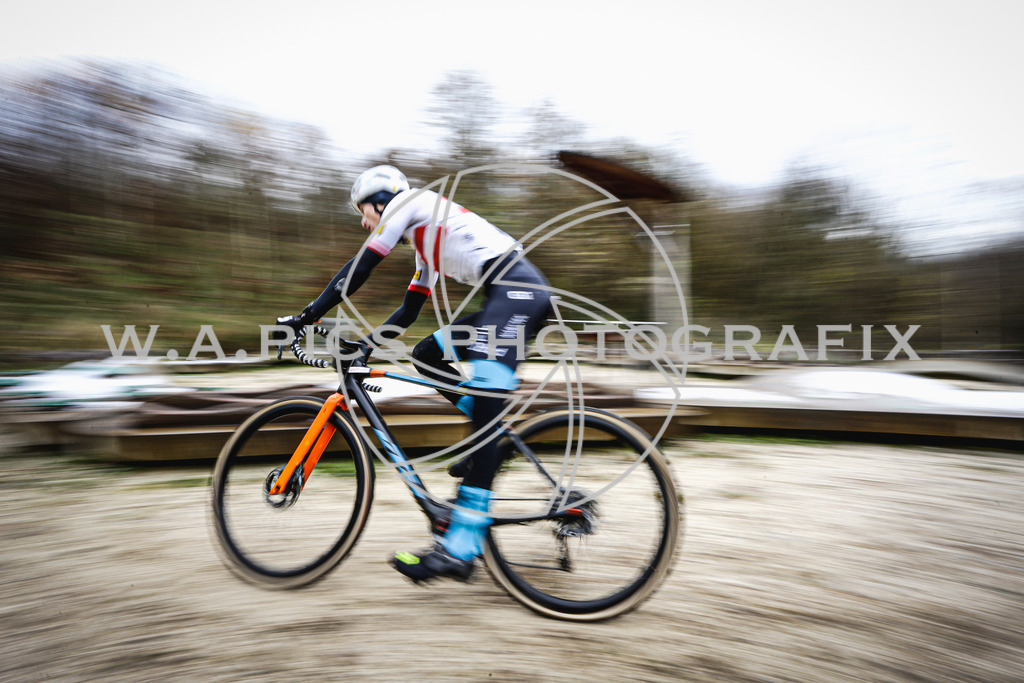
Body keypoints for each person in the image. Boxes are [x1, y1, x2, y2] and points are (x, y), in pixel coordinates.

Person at [278, 165, 551, 582]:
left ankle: (460, 548)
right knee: (427, 353)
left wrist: (306, 316)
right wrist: (367, 345)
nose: (364, 221)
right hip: (514, 294)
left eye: (363, 211)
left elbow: (358, 270)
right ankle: (489, 438)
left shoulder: (408, 204)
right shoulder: (425, 243)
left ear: (379, 200)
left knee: (482, 373)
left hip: (518, 294)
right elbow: (408, 312)